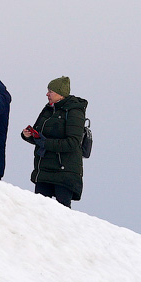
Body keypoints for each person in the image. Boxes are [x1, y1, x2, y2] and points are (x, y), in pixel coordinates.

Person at [21, 76, 88, 208]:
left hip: (65, 172)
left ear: (61, 94)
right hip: (44, 169)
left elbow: (73, 142)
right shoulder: (48, 109)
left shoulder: (74, 111)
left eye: (50, 91)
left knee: (62, 215)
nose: (47, 94)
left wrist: (45, 143)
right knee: (38, 211)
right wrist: (28, 135)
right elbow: (39, 134)